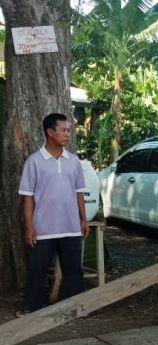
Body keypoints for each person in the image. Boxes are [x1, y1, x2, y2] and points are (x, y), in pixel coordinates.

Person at [17, 113, 89, 315]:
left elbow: (79, 192)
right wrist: (29, 226)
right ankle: (31, 310)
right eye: (63, 130)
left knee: (73, 271)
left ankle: (74, 309)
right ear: (50, 132)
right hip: (43, 229)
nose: (68, 134)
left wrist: (83, 219)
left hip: (70, 227)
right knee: (36, 270)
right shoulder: (34, 161)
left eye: (69, 130)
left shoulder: (73, 161)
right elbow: (28, 197)